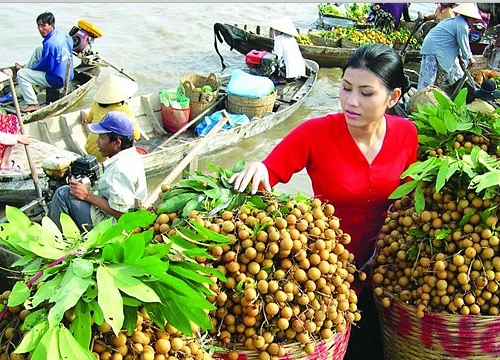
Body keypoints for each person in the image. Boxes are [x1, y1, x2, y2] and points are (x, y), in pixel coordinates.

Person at [229, 43, 418, 360]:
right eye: (345, 88)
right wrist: (257, 167)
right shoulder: (315, 133)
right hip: (324, 275)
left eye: (366, 93)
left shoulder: (406, 134)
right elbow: (270, 170)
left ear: (393, 97)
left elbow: (408, 201)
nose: (351, 101)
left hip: (383, 272)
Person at [48, 111, 147, 232]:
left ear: (117, 143)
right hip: (125, 215)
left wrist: (87, 195)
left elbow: (124, 214)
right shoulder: (132, 155)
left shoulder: (119, 170)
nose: (97, 142)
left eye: (101, 137)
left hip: (114, 227)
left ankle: (55, 237)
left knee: (62, 193)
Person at [15, 12, 74, 113]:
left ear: (52, 25)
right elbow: (71, 43)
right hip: (69, 74)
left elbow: (45, 67)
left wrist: (31, 71)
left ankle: (33, 103)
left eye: (44, 25)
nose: (40, 29)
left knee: (21, 74)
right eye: (38, 26)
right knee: (39, 49)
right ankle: (26, 70)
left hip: (57, 80)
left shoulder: (50, 44)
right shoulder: (60, 33)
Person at [417, 3, 482, 90]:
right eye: (473, 19)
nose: (474, 21)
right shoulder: (462, 25)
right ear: (468, 17)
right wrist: (470, 58)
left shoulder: (457, 21)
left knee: (452, 74)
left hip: (435, 46)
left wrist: (461, 57)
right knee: (427, 78)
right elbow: (464, 44)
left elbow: (458, 43)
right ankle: (421, 97)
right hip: (433, 48)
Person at [80, 74, 140, 163]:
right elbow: (136, 135)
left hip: (90, 149)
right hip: (105, 152)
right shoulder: (124, 109)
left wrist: (84, 114)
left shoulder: (96, 104)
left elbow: (88, 120)